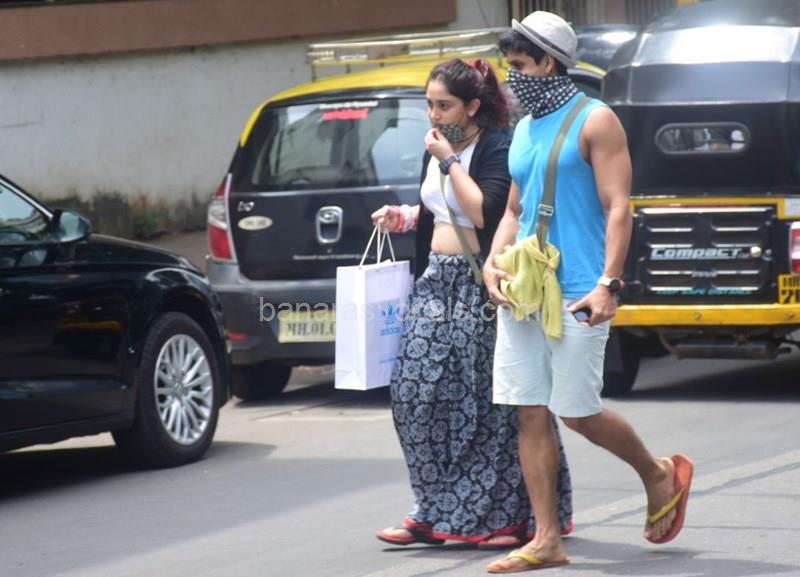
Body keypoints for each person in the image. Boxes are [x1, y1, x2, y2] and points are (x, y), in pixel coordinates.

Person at [483, 12, 694, 573]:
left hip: (579, 287)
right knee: (529, 412)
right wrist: (492, 263)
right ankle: (546, 538)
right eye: (509, 65)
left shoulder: (595, 119)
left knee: (576, 413)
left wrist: (608, 284)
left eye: (520, 65)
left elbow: (618, 206)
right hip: (525, 288)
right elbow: (514, 209)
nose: (512, 76)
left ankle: (657, 472)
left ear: (549, 63)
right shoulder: (524, 127)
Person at [371, 58, 574, 549]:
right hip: (434, 282)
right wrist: (405, 216)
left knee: (485, 401)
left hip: (480, 283)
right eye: (429, 104)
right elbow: (440, 207)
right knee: (414, 395)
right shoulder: (439, 145)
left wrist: (448, 161)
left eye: (444, 105)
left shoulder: (497, 146)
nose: (434, 114)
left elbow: (486, 211)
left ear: (473, 106)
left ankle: (505, 516)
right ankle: (431, 507)